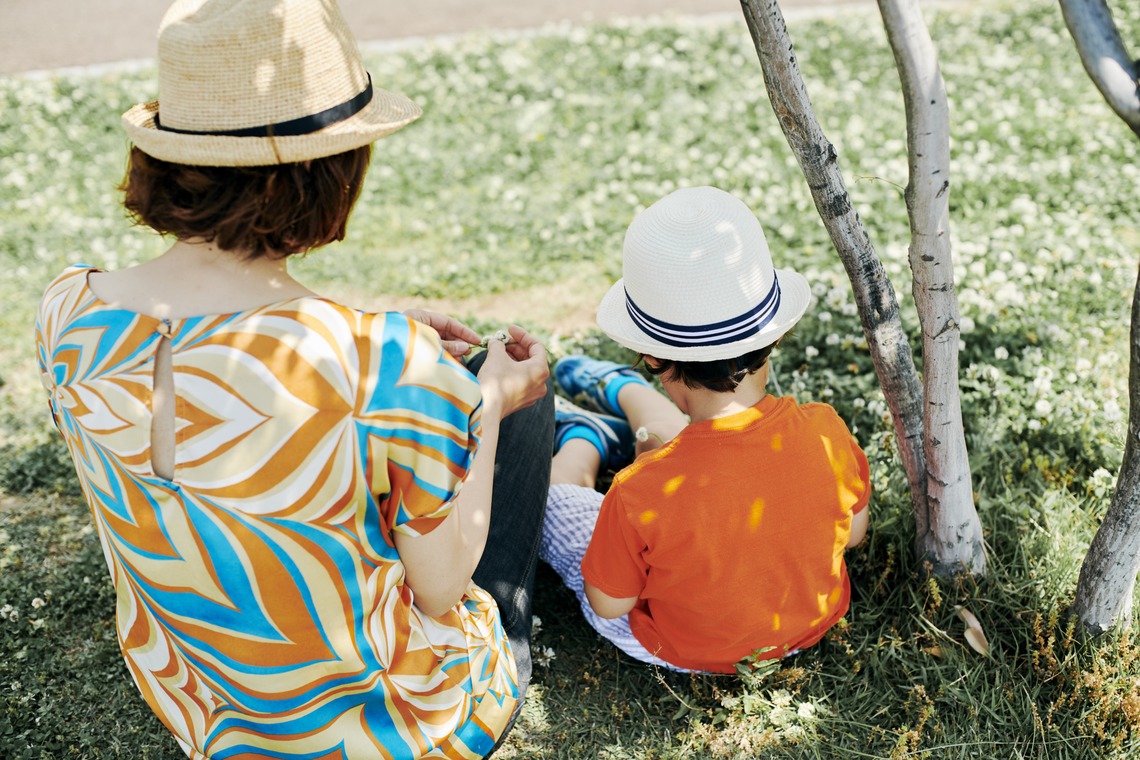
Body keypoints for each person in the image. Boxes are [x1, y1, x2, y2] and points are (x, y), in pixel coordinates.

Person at [34, 1, 553, 757]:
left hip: (197, 700)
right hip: (386, 730)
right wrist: (491, 401)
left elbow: (212, 373)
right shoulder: (384, 364)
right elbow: (439, 589)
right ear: (329, 173)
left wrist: (370, 334)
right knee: (520, 400)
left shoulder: (66, 310)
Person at [539, 186, 871, 674]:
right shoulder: (825, 432)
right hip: (807, 631)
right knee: (691, 439)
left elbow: (610, 603)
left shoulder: (640, 490)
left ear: (652, 354)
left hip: (681, 649)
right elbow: (855, 533)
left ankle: (583, 438)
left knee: (556, 502)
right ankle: (622, 392)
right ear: (775, 333)